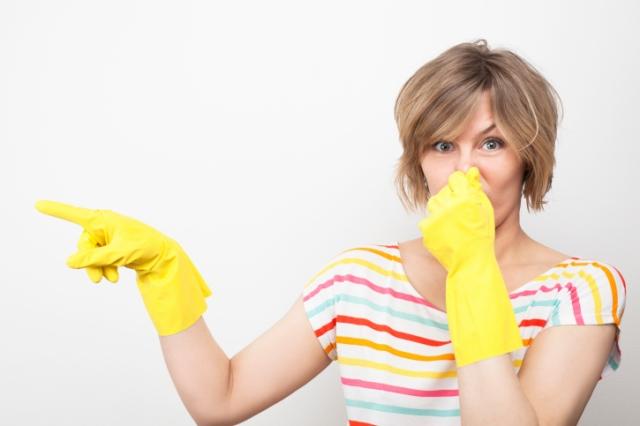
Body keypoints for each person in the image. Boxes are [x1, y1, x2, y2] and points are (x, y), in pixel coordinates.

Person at [35, 39, 627, 426]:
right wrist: (165, 271)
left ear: (530, 154)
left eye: (491, 142)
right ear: (418, 160)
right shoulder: (358, 280)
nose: (465, 169)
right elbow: (220, 399)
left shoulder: (581, 289)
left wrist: (472, 272)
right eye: (443, 145)